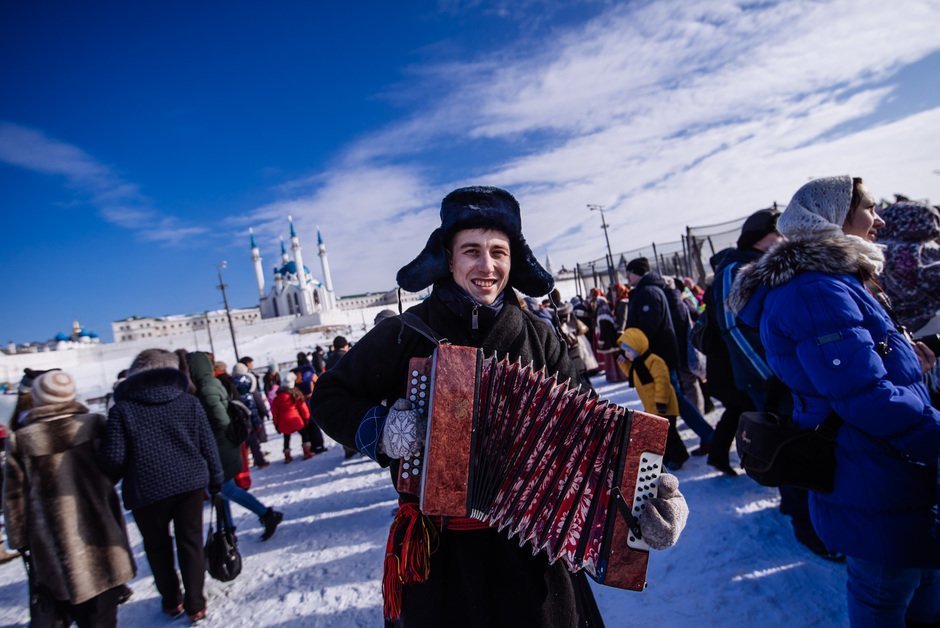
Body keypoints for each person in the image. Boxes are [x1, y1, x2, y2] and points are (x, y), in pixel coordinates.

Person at [311, 186, 688, 627]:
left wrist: (648, 498)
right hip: (441, 558)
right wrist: (381, 429)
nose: (487, 266)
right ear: (448, 258)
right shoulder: (403, 333)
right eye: (471, 251)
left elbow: (594, 438)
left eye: (498, 252)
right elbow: (328, 397)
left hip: (535, 558)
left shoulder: (540, 336)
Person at [729, 176, 940, 626]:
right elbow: (865, 399)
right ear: (834, 217)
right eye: (869, 208)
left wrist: (909, 363)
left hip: (891, 468)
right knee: (887, 598)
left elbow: (859, 372)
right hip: (873, 476)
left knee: (920, 589)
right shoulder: (814, 291)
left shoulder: (838, 280)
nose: (879, 218)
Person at [5, 370, 136, 627]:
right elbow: (115, 466)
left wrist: (19, 540)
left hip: (52, 548)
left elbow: (13, 497)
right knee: (103, 616)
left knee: (65, 607)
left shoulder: (21, 440)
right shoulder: (95, 425)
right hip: (102, 537)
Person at [99, 349, 221, 622]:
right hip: (189, 484)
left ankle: (171, 601)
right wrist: (216, 479)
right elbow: (208, 445)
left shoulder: (122, 410)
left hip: (146, 490)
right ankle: (195, 604)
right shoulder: (188, 402)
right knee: (190, 543)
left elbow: (114, 459)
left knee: (157, 548)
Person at [185, 351, 283, 542]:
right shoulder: (209, 384)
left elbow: (220, 419)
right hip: (221, 445)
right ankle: (228, 530)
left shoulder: (205, 388)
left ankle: (266, 514)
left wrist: (206, 433)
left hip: (219, 446)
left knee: (225, 488)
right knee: (221, 491)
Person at [625, 256, 714, 454]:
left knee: (672, 399)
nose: (627, 277)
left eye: (629, 272)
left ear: (636, 272)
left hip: (659, 357)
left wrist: (633, 346)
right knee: (673, 399)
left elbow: (649, 326)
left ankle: (700, 439)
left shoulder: (647, 293)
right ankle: (691, 442)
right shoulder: (647, 291)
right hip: (658, 355)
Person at [617, 328, 689, 469]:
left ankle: (679, 456)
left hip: (664, 405)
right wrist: (623, 365)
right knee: (660, 434)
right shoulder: (637, 365)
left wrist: (661, 402)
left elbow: (662, 382)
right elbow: (634, 377)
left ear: (638, 348)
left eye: (628, 351)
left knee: (669, 433)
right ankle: (668, 456)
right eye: (625, 351)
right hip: (652, 407)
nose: (626, 355)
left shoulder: (654, 361)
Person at [271, 372, 312, 462]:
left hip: (283, 423)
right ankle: (307, 452)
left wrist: (276, 424)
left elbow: (274, 413)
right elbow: (303, 408)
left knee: (286, 438)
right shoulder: (295, 395)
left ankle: (287, 456)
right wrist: (306, 418)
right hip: (296, 420)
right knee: (304, 434)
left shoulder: (276, 399)